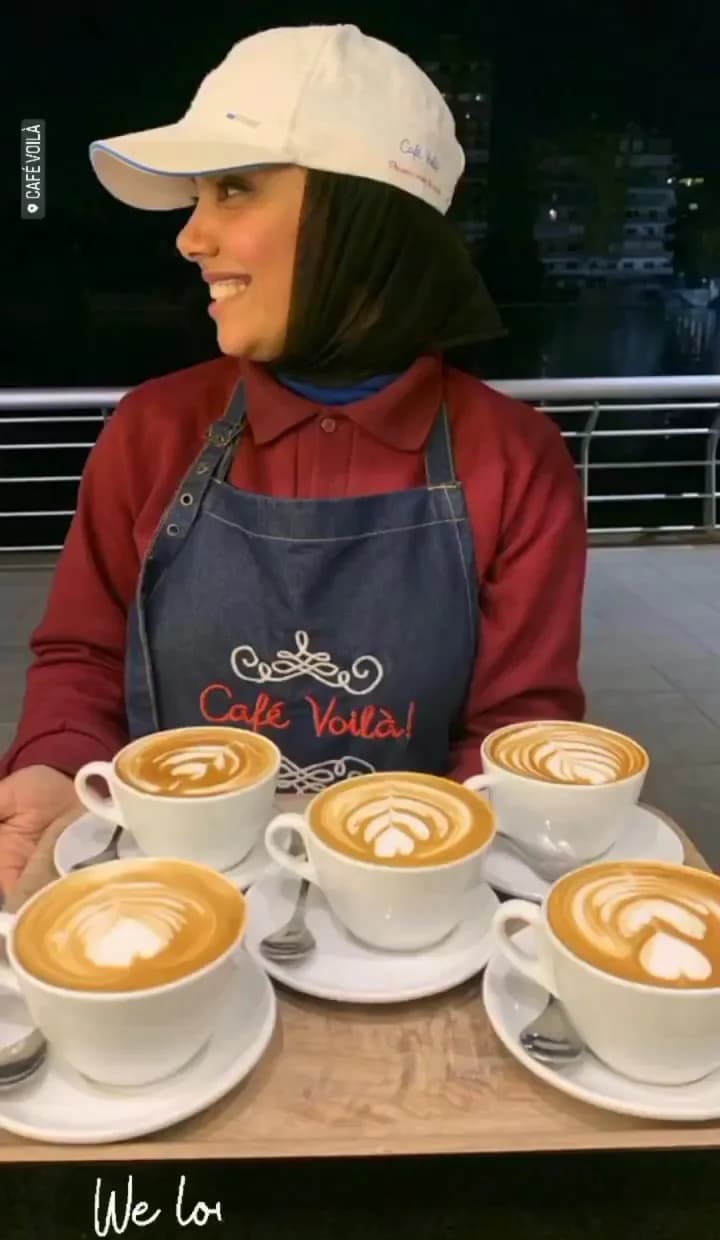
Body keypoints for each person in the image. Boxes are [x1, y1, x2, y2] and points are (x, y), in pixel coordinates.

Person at [0, 23, 587, 889]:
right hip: (171, 889)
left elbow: (514, 728)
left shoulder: (519, 460)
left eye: (232, 191)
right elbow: (85, 658)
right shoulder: (152, 430)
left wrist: (432, 884)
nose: (189, 238)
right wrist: (53, 765)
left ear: (364, 218)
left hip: (404, 900)